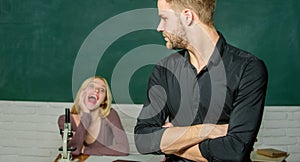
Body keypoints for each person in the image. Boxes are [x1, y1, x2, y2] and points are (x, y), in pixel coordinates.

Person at [134, 0, 268, 161]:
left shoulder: (248, 68)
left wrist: (171, 143)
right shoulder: (164, 70)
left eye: (165, 18)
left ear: (187, 17)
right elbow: (143, 139)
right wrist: (207, 130)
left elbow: (234, 151)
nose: (159, 27)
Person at [56, 76, 129, 160]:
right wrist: (86, 115)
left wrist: (86, 150)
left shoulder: (110, 115)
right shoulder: (65, 120)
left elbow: (124, 149)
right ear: (82, 93)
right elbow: (74, 150)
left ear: (104, 100)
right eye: (91, 86)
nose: (96, 90)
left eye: (102, 90)